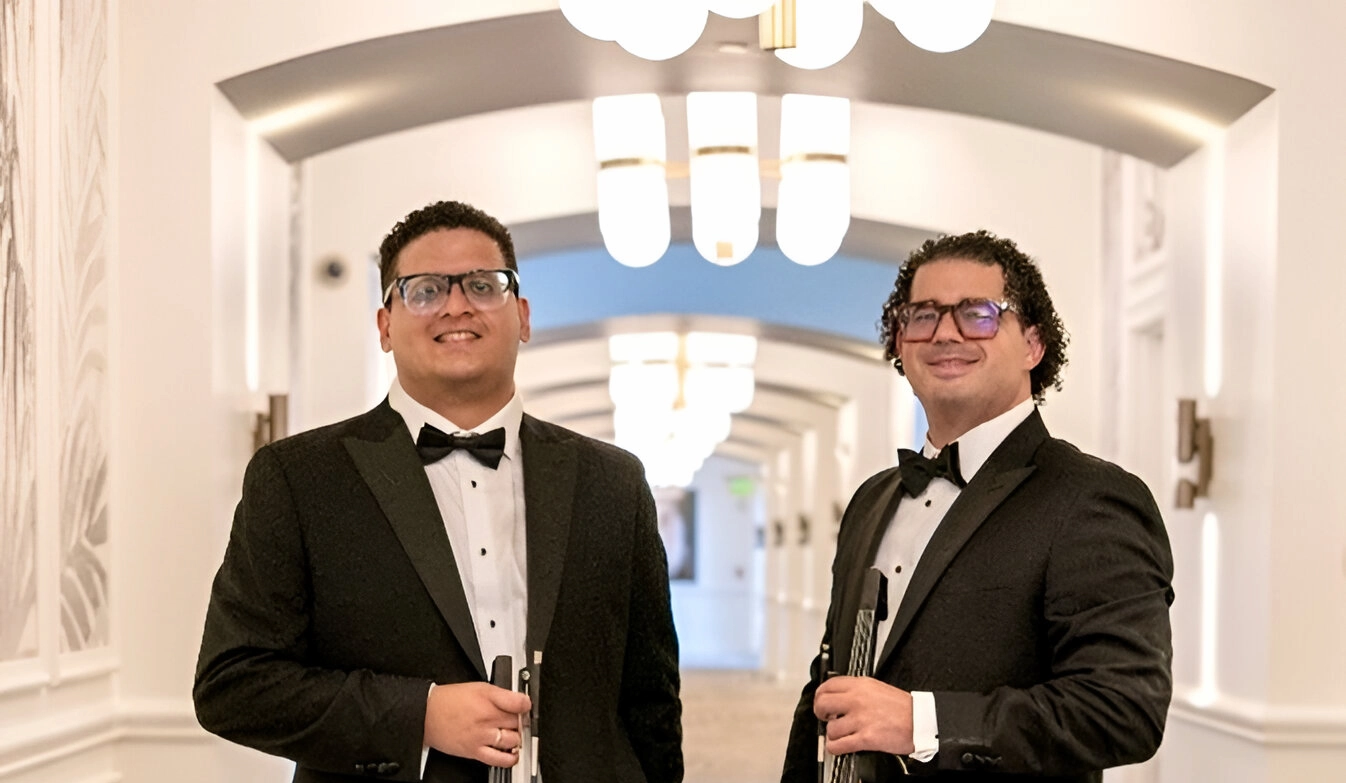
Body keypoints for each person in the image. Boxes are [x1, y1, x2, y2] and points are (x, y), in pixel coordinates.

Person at [195, 200, 683, 783]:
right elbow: (234, 684)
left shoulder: (614, 481)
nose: (456, 305)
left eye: (483, 285)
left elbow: (651, 702)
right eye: (424, 289)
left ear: (522, 316)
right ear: (385, 326)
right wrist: (419, 713)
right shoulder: (298, 477)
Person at [782, 230, 1174, 782]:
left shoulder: (1091, 499)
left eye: (978, 313)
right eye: (922, 316)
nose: (945, 332)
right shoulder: (872, 498)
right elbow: (829, 683)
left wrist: (921, 720)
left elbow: (1123, 710)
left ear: (1033, 345)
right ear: (900, 342)